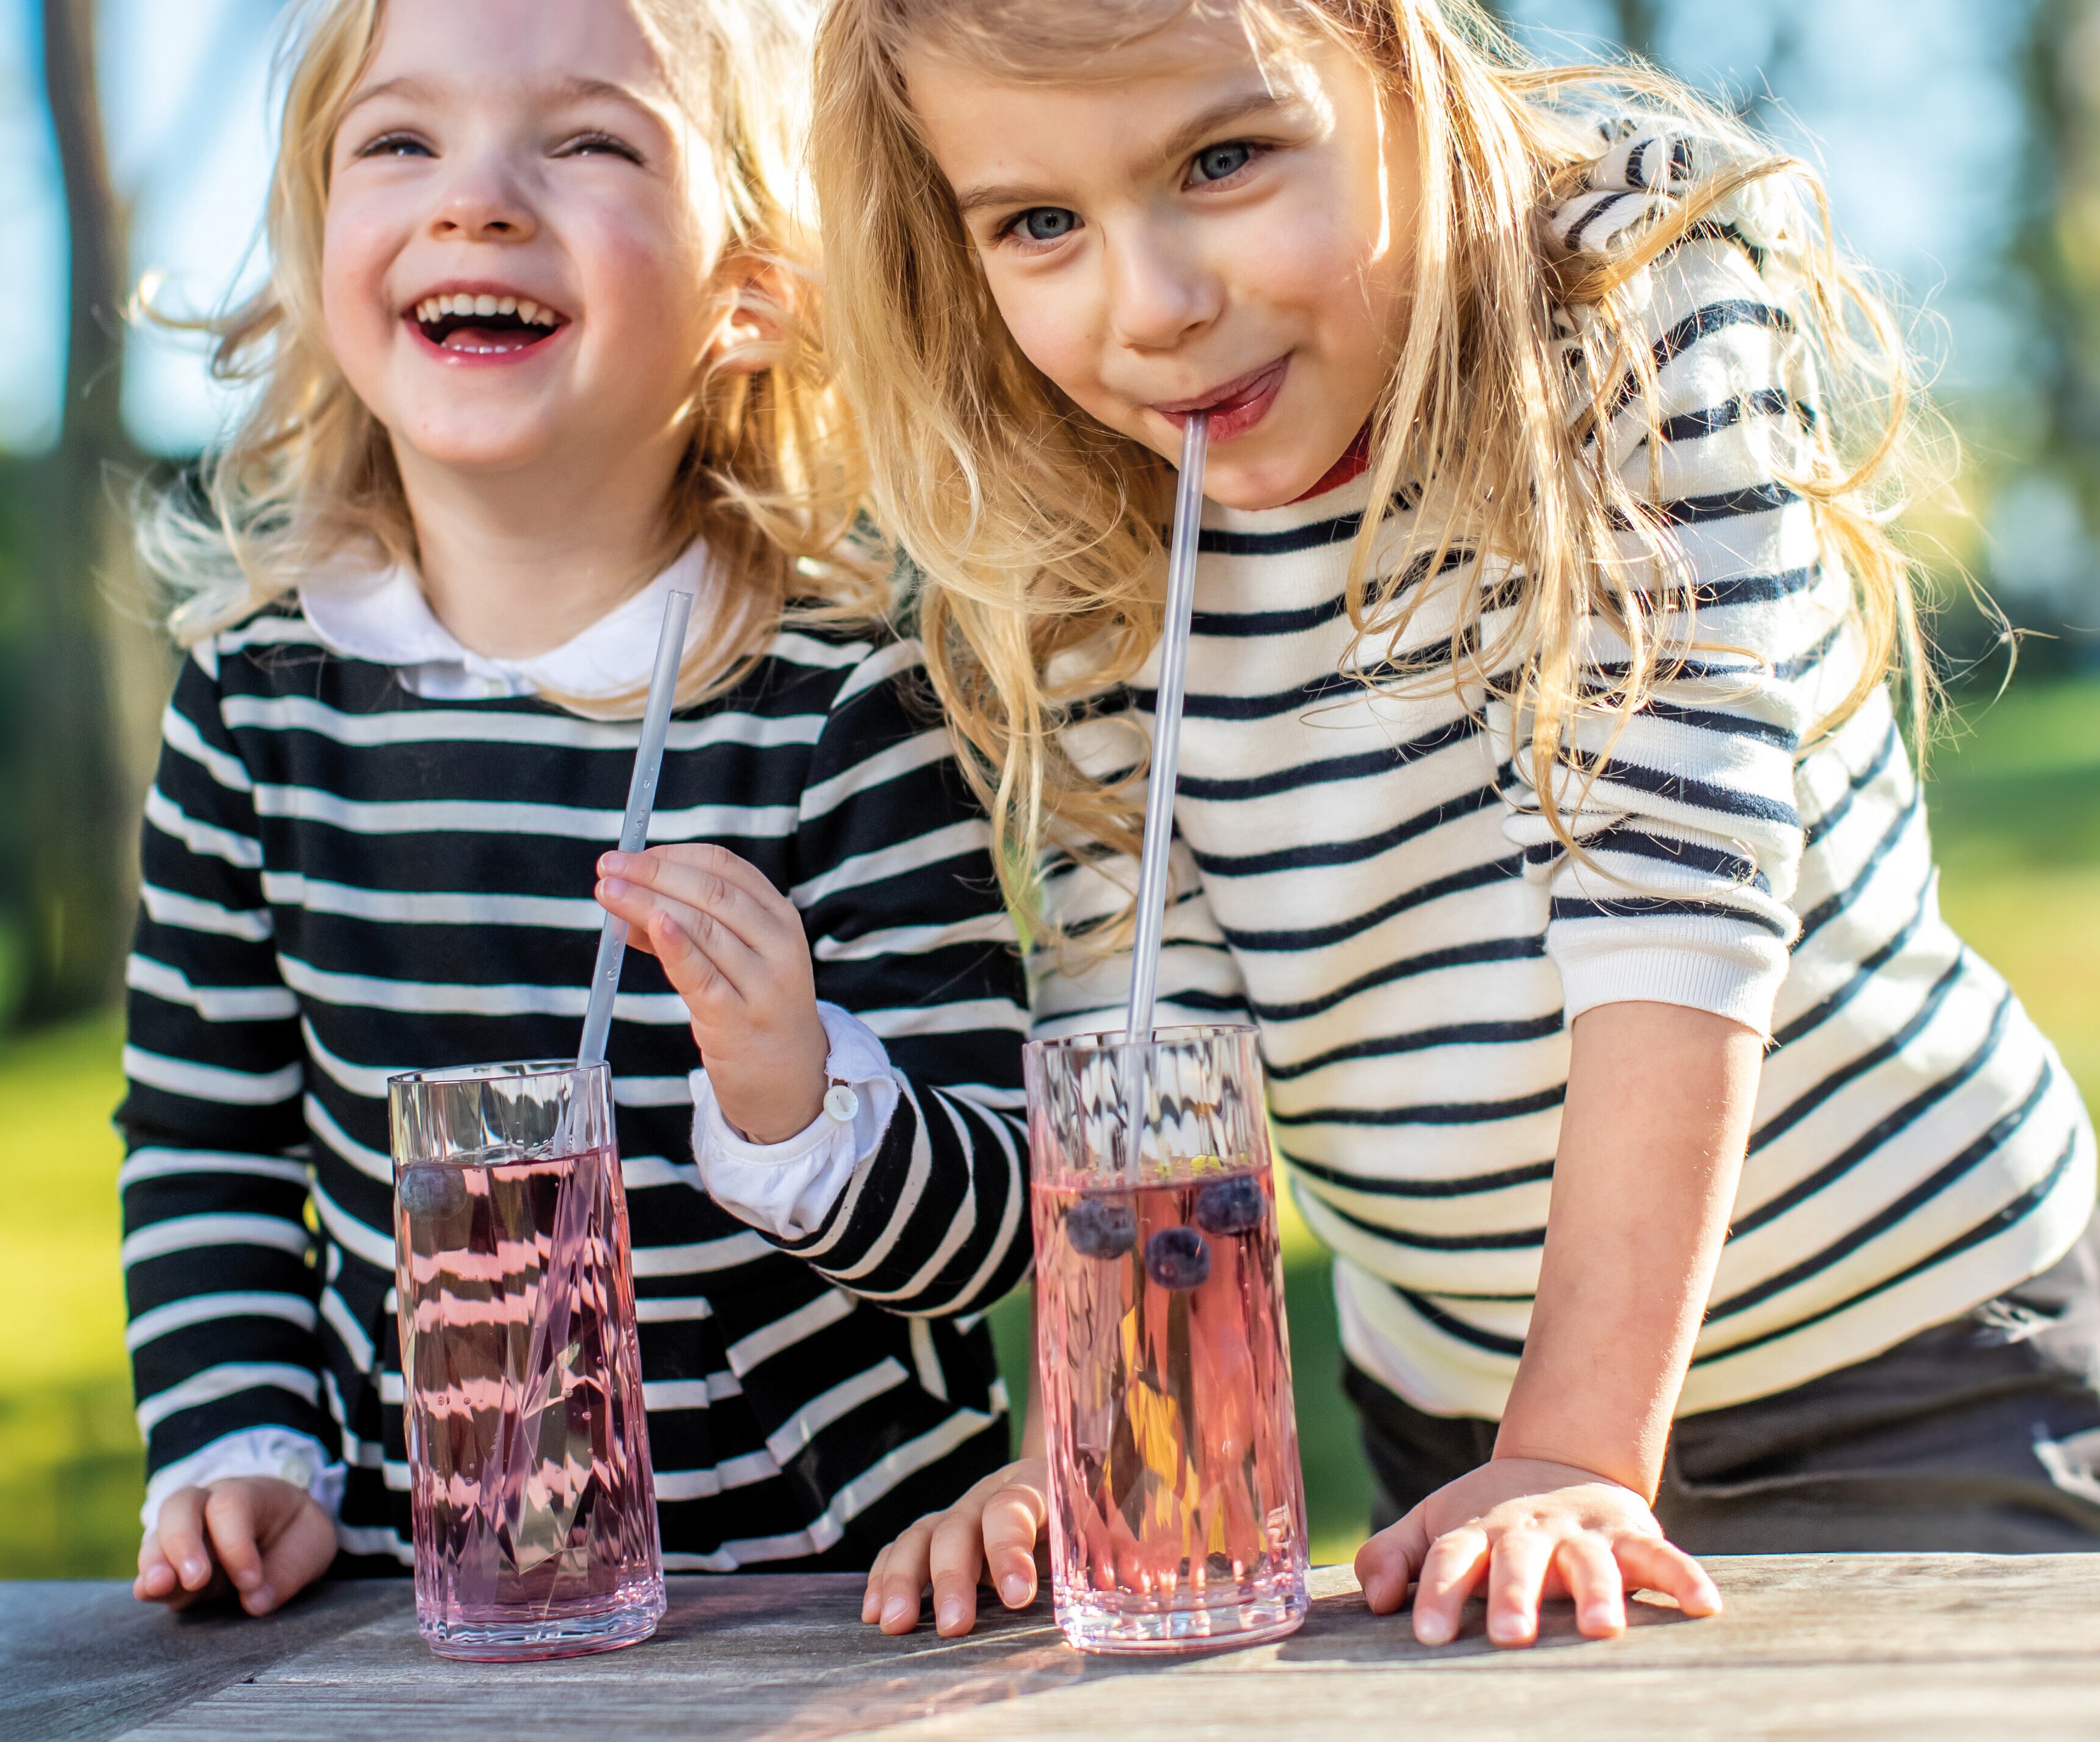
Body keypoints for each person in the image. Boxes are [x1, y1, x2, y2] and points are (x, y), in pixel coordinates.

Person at [809, 0, 2100, 1650]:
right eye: (1038, 223)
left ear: (1400, 65)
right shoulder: (1073, 497)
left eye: (1222, 158)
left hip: (1910, 1360)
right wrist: (1120, 1437)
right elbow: (1144, 1013)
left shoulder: (1625, 292)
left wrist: (1573, 1448)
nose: (1154, 306)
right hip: (1455, 1418)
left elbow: (1670, 892)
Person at [120, 0, 1031, 1621]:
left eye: (589, 140)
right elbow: (209, 1144)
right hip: (430, 1601)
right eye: (401, 140)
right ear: (321, 241)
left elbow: (998, 1219)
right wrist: (239, 1445)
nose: (475, 196)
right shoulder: (252, 711)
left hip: (841, 1598)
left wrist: (795, 1097)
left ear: (746, 295)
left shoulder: (843, 708)